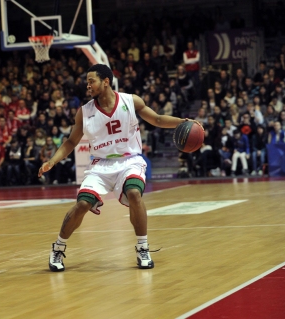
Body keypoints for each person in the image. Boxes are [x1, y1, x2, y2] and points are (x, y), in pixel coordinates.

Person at [38, 64, 199, 272]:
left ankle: (143, 248)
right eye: (87, 82)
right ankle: (58, 248)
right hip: (100, 165)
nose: (87, 86)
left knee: (134, 193)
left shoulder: (131, 101)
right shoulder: (84, 112)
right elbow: (71, 142)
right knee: (82, 205)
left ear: (106, 81)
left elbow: (157, 119)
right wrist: (52, 161)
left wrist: (183, 122)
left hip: (129, 161)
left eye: (91, 81)